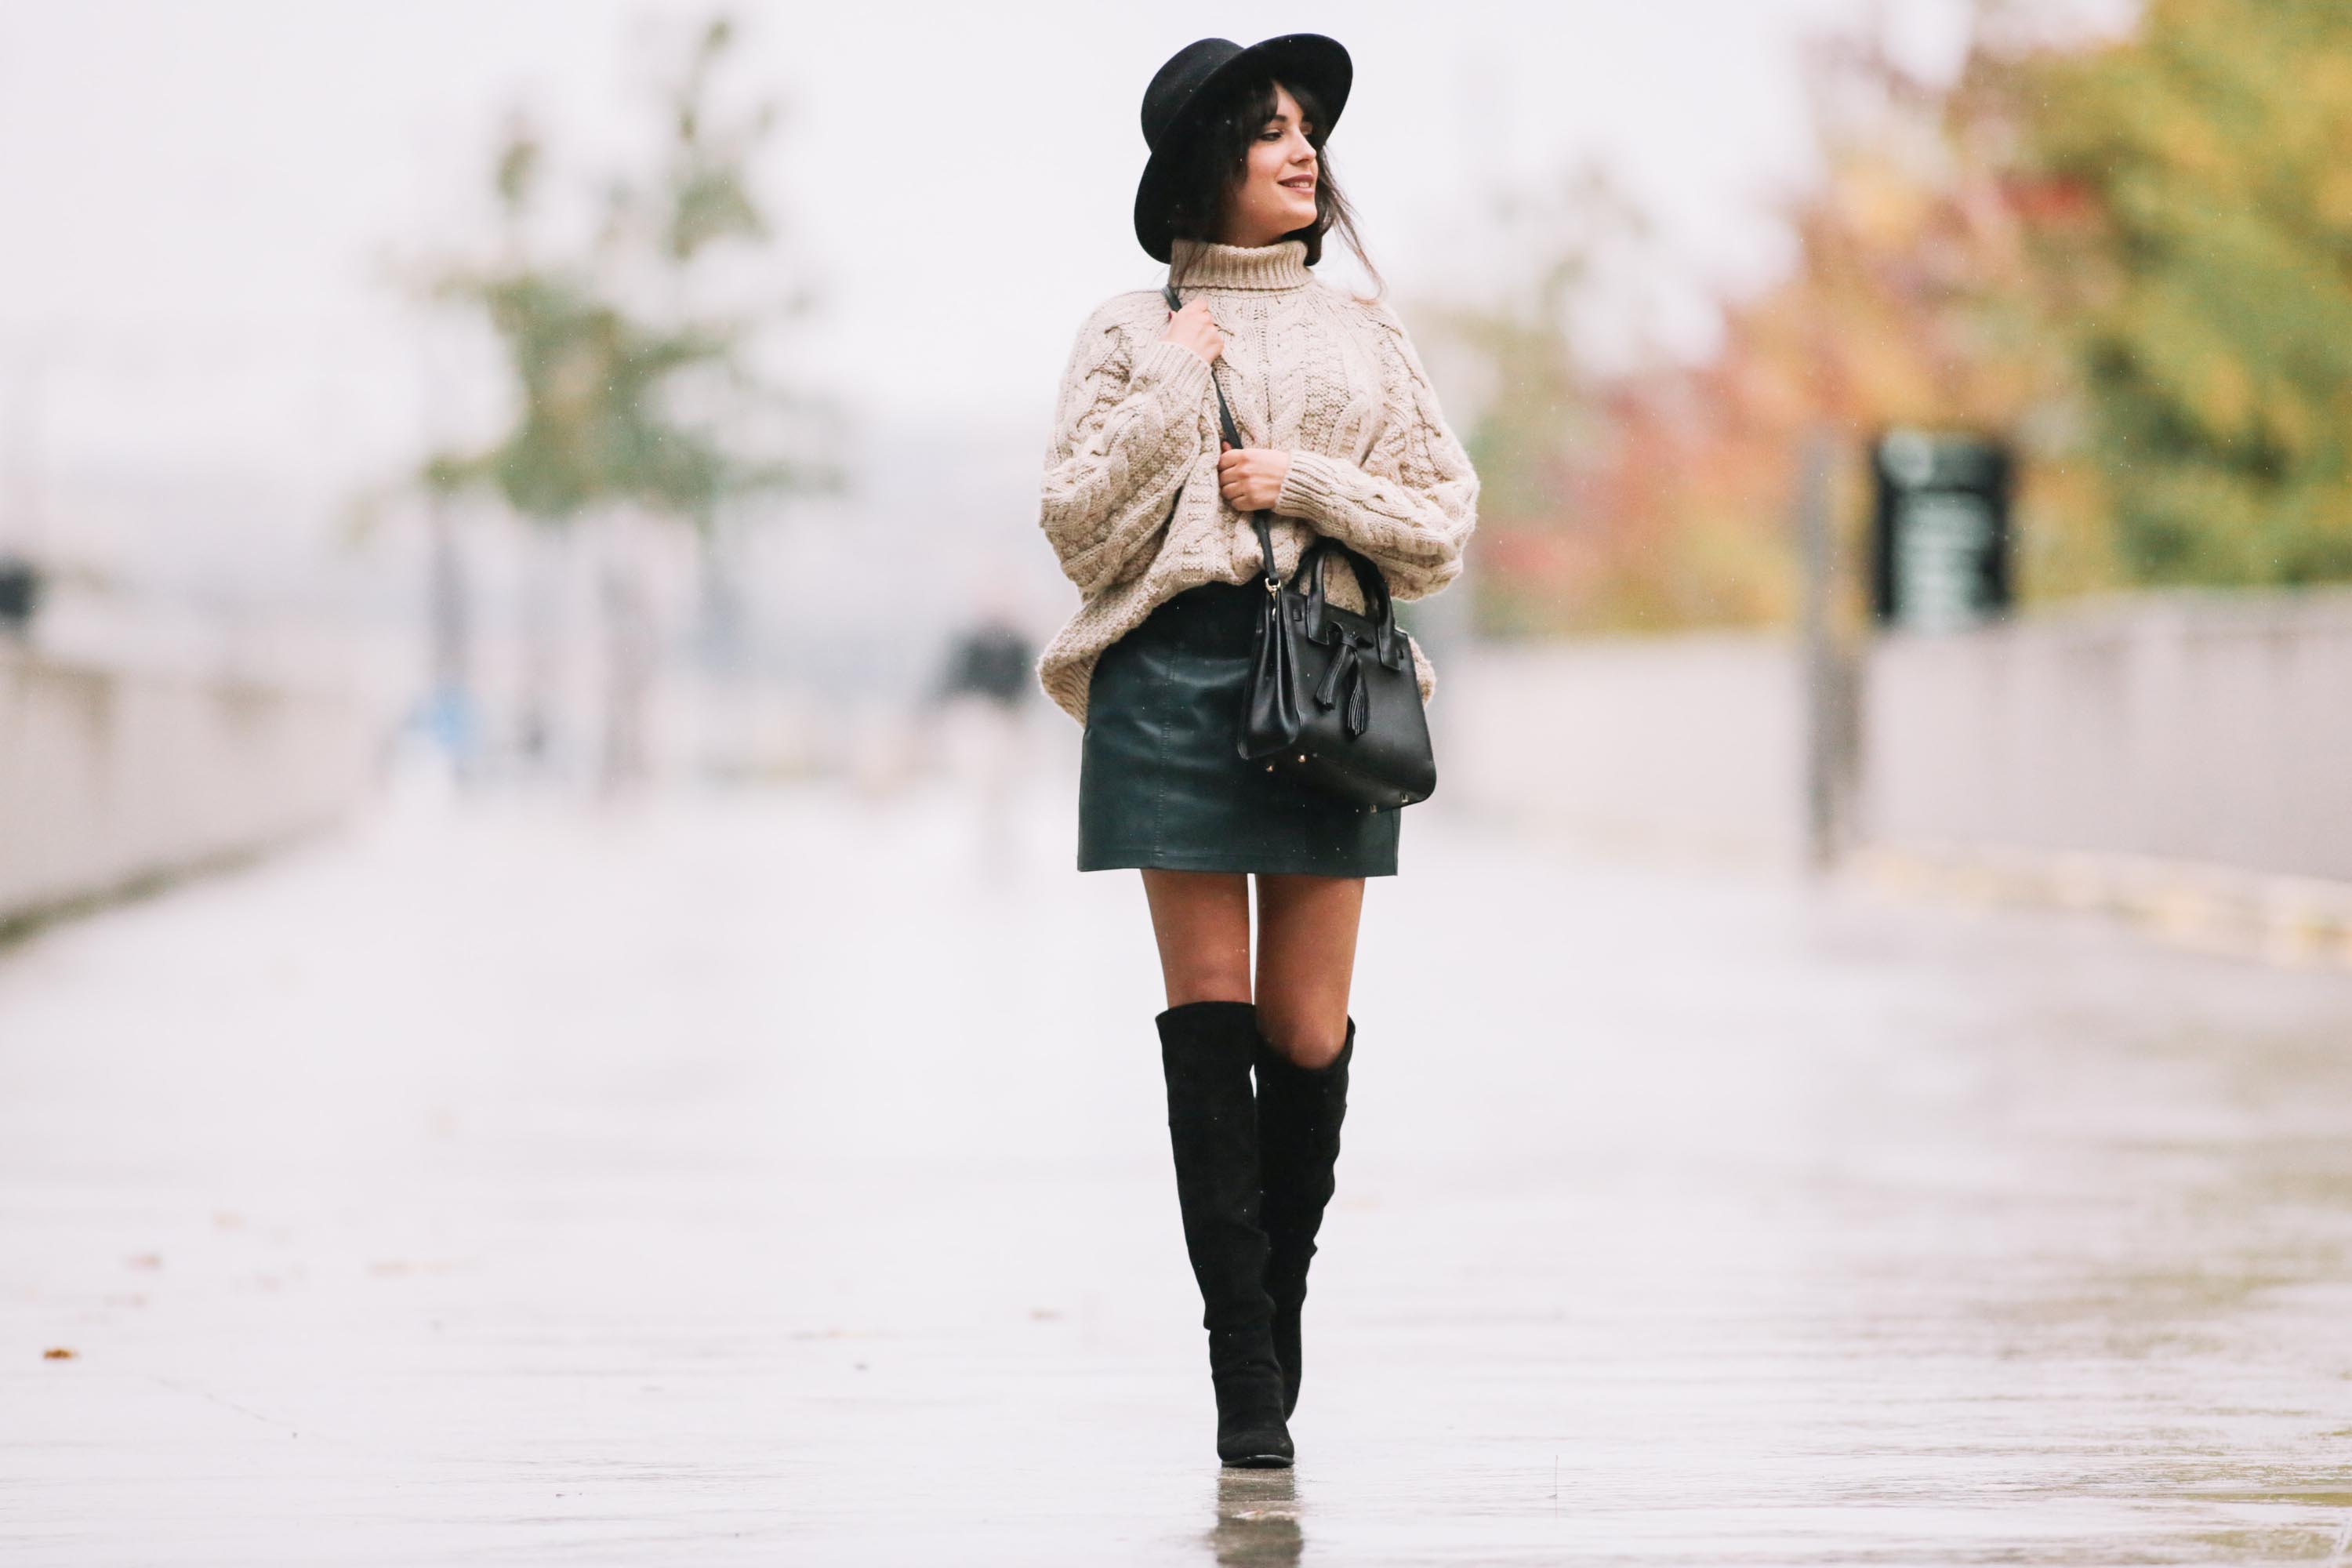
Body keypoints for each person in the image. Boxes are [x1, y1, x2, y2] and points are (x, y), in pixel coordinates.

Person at [1033, 34, 1479, 1467]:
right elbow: (1079, 527)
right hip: (1171, 681)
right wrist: (1176, 379)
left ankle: (1273, 1316)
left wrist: (1301, 483)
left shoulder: (1366, 333)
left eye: (1309, 130)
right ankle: (1245, 1381)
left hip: (1328, 682)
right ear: (1202, 164)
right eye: (1267, 130)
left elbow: (1442, 523)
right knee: (1209, 1022)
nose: (1303, 151)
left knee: (1305, 1032)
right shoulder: (1125, 328)